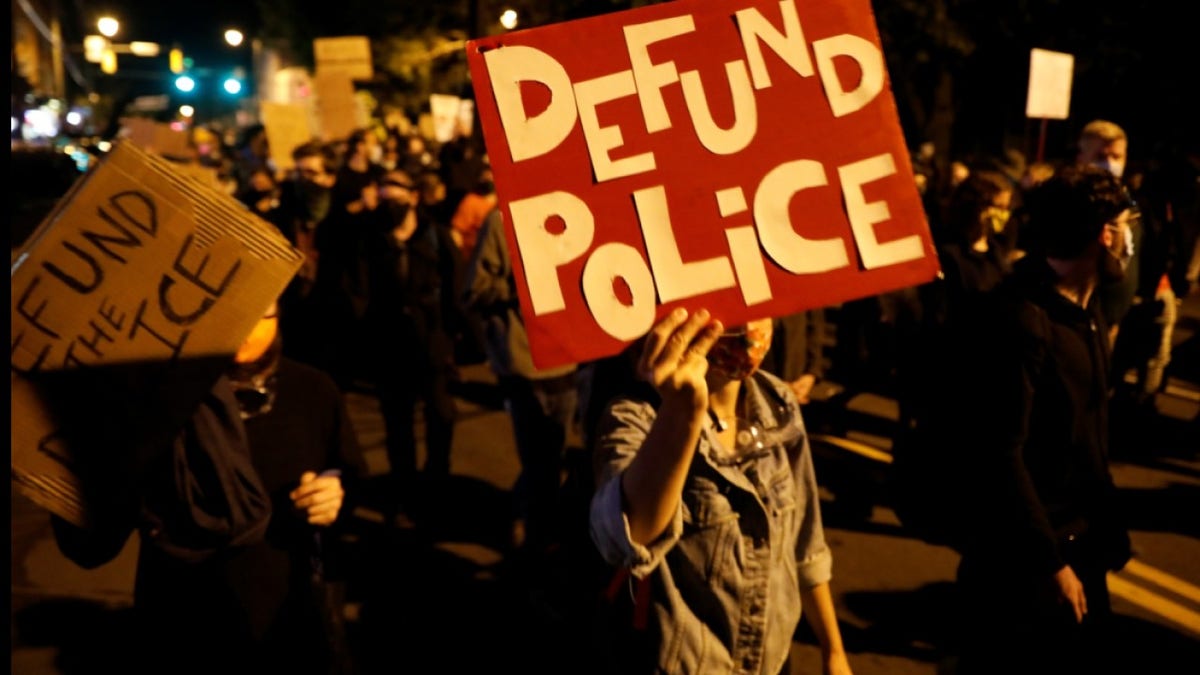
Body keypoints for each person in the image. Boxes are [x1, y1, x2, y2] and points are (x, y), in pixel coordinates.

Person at [51, 301, 363, 675]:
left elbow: (347, 472)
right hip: (181, 613)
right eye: (235, 313)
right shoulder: (160, 399)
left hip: (285, 610)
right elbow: (99, 529)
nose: (246, 329)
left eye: (261, 315)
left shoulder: (312, 390)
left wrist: (335, 495)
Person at [588, 310, 854, 675]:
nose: (750, 321)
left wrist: (834, 650)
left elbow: (805, 543)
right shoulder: (636, 415)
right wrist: (682, 412)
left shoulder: (777, 401)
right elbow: (626, 536)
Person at [949, 164, 1135, 674]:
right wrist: (1049, 561)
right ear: (1104, 234)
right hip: (1023, 566)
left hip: (1078, 549)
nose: (1130, 241)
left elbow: (1086, 436)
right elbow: (1000, 451)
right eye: (1126, 226)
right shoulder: (1022, 319)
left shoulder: (1086, 312)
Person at [461, 207, 579, 559]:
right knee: (537, 457)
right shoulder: (501, 222)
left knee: (553, 452)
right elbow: (473, 291)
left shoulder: (575, 211)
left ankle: (536, 523)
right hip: (522, 363)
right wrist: (522, 282)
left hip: (567, 358)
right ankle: (534, 537)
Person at [362, 168, 460, 497]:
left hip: (431, 345)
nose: (390, 196)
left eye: (397, 187)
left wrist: (452, 339)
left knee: (441, 416)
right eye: (384, 189)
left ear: (414, 196)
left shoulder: (436, 236)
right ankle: (404, 489)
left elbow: (456, 288)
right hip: (390, 347)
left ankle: (437, 480)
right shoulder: (371, 238)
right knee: (398, 423)